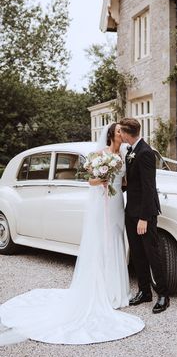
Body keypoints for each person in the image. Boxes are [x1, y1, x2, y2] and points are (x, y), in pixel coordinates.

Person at [0, 123, 144, 345]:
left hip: (116, 203)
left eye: (122, 132)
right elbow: (90, 181)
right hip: (102, 201)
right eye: (118, 132)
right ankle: (102, 290)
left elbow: (126, 180)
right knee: (100, 241)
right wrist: (103, 178)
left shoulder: (124, 153)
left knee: (115, 239)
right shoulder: (98, 154)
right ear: (112, 135)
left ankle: (117, 290)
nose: (121, 134)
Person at [119, 118, 170, 314]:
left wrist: (144, 218)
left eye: (121, 132)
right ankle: (144, 291)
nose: (120, 136)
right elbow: (133, 183)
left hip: (144, 214)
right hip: (130, 210)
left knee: (152, 254)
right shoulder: (131, 151)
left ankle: (164, 295)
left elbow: (149, 189)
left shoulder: (146, 153)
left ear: (126, 133)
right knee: (138, 253)